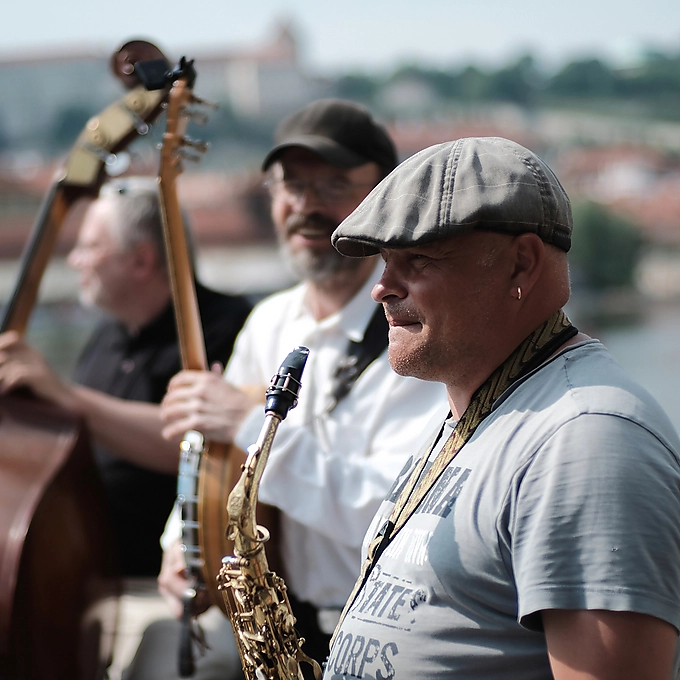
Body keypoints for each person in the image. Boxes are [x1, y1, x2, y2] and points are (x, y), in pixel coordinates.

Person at [322, 136, 680, 680]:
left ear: (521, 264)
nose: (383, 288)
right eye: (385, 262)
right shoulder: (485, 411)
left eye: (418, 259)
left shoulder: (586, 440)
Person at [140, 99, 447, 680]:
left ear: (383, 197)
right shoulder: (269, 322)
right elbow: (212, 463)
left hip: (393, 641)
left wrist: (248, 425)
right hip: (289, 630)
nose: (306, 205)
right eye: (291, 185)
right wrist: (184, 546)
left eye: (332, 185)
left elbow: (395, 516)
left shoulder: (420, 329)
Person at [0, 177, 251, 679]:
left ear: (140, 260)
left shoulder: (224, 328)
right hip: (86, 584)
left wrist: (67, 396)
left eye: (90, 246)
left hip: (162, 588)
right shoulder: (107, 336)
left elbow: (202, 448)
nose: (74, 260)